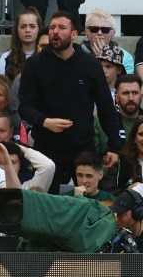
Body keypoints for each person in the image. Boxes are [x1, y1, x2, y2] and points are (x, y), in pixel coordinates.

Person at [19, 11, 123, 194]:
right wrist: (44, 121)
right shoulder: (34, 64)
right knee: (45, 204)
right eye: (52, 27)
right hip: (46, 148)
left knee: (88, 202)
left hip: (82, 147)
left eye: (61, 28)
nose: (55, 32)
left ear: (74, 34)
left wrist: (114, 146)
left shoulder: (90, 64)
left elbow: (107, 109)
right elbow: (25, 107)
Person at [0, 7, 42, 79]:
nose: (27, 30)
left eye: (32, 26)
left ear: (39, 29)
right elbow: (1, 87)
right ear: (17, 30)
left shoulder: (46, 56)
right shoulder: (5, 57)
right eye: (23, 27)